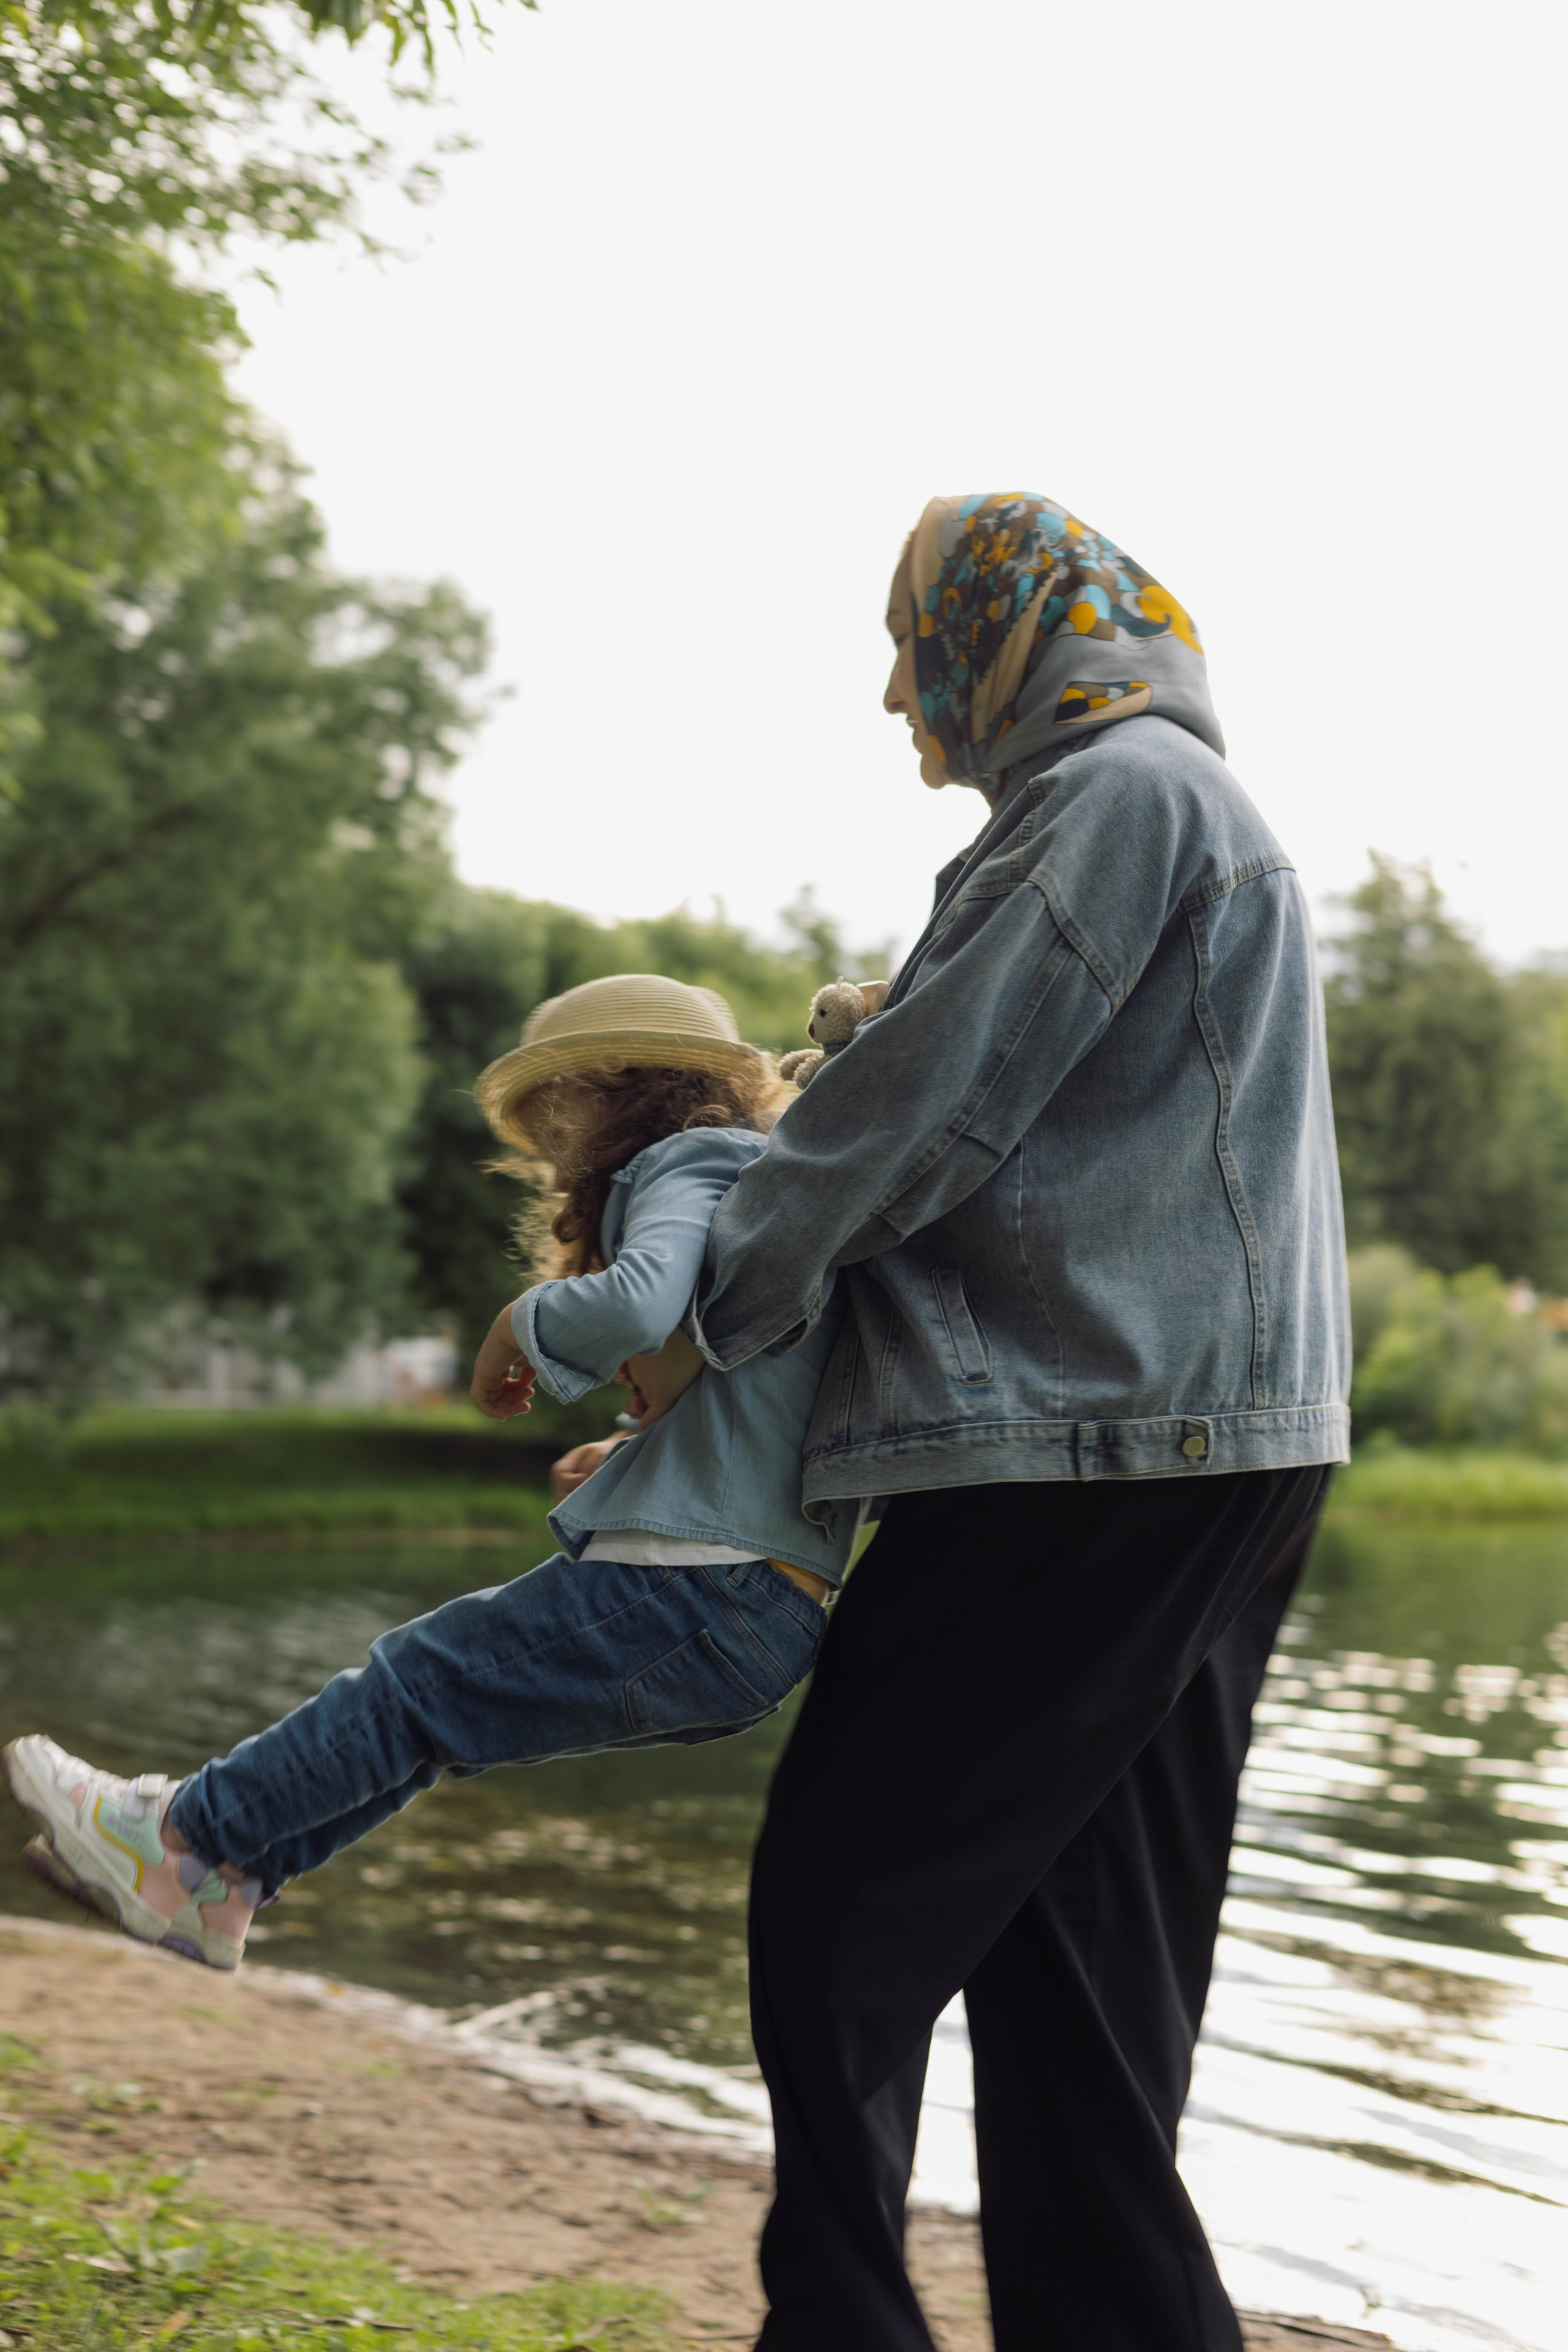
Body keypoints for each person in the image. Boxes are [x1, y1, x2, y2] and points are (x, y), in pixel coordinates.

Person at [690, 494, 1351, 2352]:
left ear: (1002, 629)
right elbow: (1018, 1090)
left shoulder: (1112, 804)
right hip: (1220, 1445)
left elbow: (920, 1120)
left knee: (838, 1912)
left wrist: (702, 1314)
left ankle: (838, 2330)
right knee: (1080, 1993)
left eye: (914, 652)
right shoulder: (1164, 806)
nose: (903, 705)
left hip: (1102, 1450)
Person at [3, 974, 857, 1971]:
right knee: (437, 1717)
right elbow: (762, 1397)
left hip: (706, 1585)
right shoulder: (758, 1185)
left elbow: (634, 1305)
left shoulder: (692, 1155)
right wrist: (632, 1456)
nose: (547, 1142)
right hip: (762, 1612)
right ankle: (221, 1883)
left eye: (552, 1108)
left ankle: (185, 1838)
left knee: (420, 1678)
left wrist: (518, 1325)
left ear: (615, 1080)